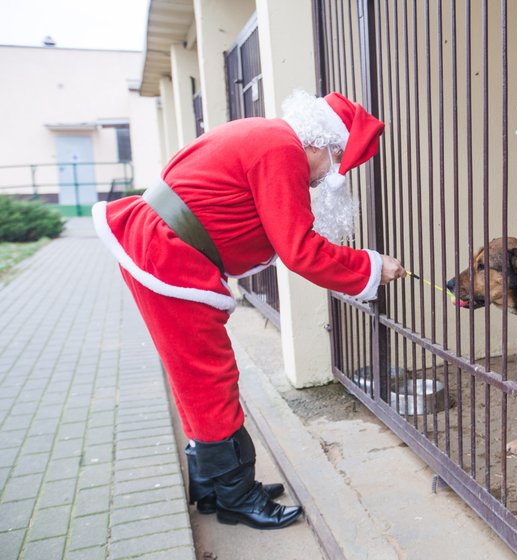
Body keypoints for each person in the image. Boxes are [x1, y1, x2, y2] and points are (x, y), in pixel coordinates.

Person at [92, 90, 405, 530]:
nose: (328, 177)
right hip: (168, 257)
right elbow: (301, 251)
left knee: (193, 377)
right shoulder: (282, 151)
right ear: (317, 142)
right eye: (334, 161)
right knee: (208, 378)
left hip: (164, 251)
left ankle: (211, 485)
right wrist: (372, 266)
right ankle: (237, 497)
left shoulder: (269, 138)